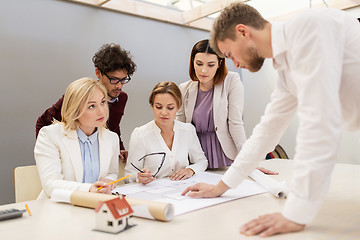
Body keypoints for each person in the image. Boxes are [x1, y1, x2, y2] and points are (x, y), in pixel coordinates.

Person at [182, 2, 360, 237]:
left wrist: (296, 214)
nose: (235, 64)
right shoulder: (286, 66)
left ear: (243, 32)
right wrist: (221, 187)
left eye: (230, 54)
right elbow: (266, 132)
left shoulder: (309, 29)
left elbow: (319, 127)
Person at [35, 43, 136, 162]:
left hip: (97, 157)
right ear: (98, 73)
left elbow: (113, 128)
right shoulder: (81, 95)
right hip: (74, 156)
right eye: (114, 79)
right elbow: (43, 122)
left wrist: (119, 149)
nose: (119, 86)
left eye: (123, 80)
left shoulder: (122, 98)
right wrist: (50, 156)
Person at [34, 78, 119, 199]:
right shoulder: (49, 135)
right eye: (91, 106)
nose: (102, 111)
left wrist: (109, 180)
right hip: (59, 208)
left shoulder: (111, 138)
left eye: (103, 102)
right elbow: (50, 184)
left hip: (96, 206)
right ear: (74, 110)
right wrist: (88, 189)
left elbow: (112, 172)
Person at [176, 39, 246, 169]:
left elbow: (235, 123)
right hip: (195, 158)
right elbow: (179, 128)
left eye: (210, 65)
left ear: (219, 64)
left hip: (224, 154)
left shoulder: (231, 81)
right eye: (199, 64)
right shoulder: (184, 88)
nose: (203, 70)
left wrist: (248, 161)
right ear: (193, 62)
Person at [125, 81, 208, 184]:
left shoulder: (188, 130)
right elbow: (128, 176)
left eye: (170, 108)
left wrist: (190, 170)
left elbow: (202, 161)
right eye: (158, 107)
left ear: (178, 107)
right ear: (152, 106)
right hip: (152, 195)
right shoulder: (140, 135)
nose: (164, 112)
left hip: (182, 191)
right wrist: (138, 178)